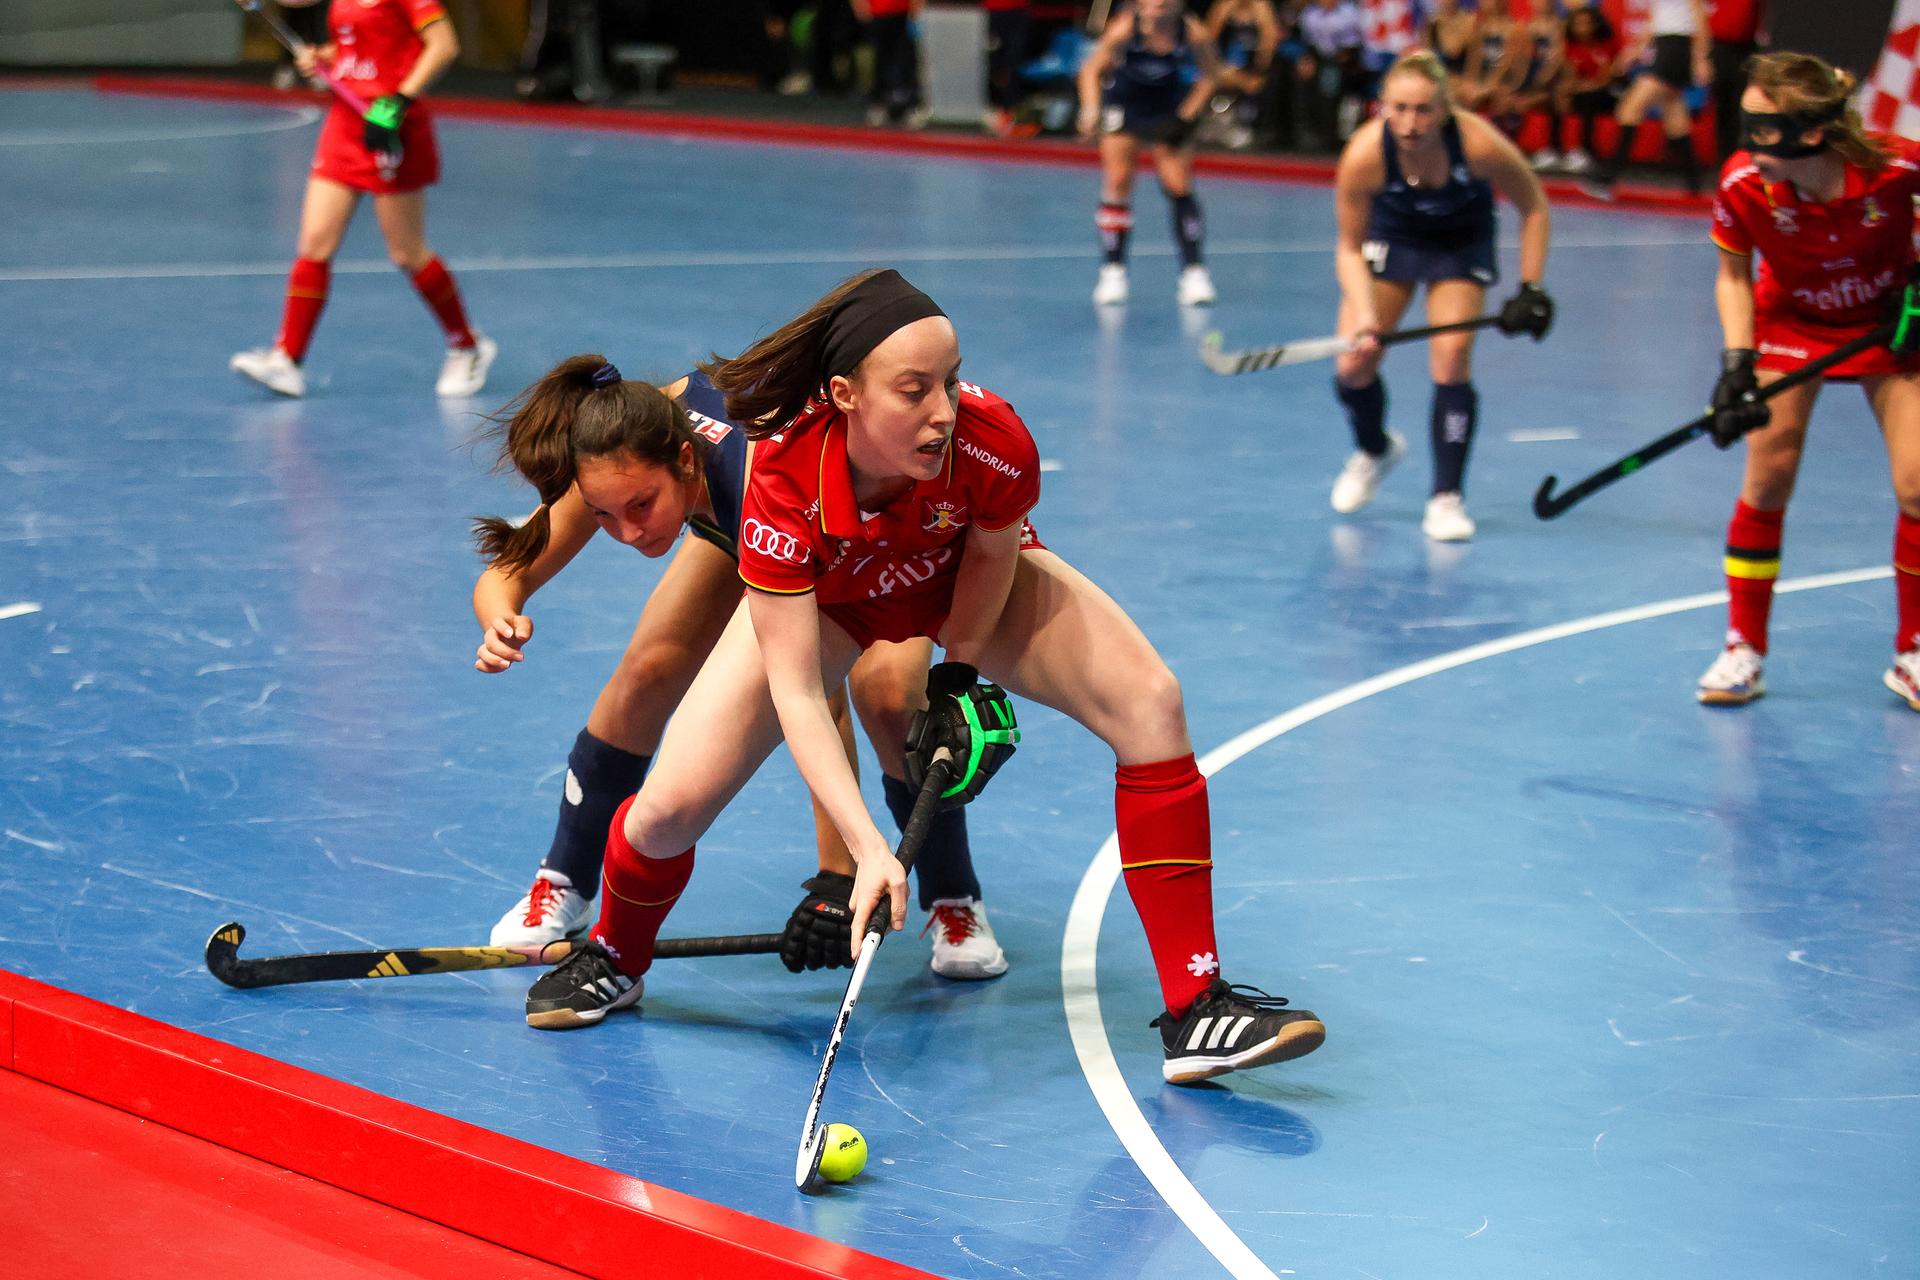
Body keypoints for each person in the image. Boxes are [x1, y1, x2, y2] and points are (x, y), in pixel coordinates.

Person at [522, 270, 1327, 1086]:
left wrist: (960, 675)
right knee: (666, 811)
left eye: (948, 379)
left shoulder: (990, 438)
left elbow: (989, 554)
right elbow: (800, 691)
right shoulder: (779, 481)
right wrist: (864, 852)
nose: (943, 409)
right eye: (914, 390)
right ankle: (617, 956)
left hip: (946, 577)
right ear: (844, 394)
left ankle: (1197, 1007)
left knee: (1151, 702)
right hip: (833, 599)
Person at [472, 355, 1011, 979]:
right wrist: (501, 618)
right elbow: (509, 570)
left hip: (857, 536)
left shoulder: (756, 474)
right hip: (735, 522)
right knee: (649, 670)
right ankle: (564, 875)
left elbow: (810, 689)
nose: (625, 533)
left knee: (890, 696)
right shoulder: (619, 447)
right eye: (604, 515)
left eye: (641, 507)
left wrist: (835, 878)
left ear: (683, 459)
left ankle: (953, 895)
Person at [1692, 52, 1920, 712]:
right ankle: (1744, 648)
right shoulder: (1743, 184)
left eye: (1764, 128)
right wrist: (1736, 363)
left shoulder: (1896, 166)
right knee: (1768, 475)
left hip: (1886, 327)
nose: (1748, 143)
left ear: (1811, 132)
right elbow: (1734, 275)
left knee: (1917, 484)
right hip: (1793, 323)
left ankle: (1912, 651)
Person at [1325, 50, 1553, 543]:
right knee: (1353, 366)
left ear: (1445, 110)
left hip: (1459, 242)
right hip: (1395, 235)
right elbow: (1348, 249)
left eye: (1423, 109)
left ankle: (1446, 496)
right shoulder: (1365, 156)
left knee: (1451, 360)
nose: (1410, 123)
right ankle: (1374, 449)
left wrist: (1531, 287)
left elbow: (1533, 205)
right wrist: (1366, 317)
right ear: (1381, 107)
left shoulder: (1477, 145)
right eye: (1399, 109)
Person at [229, 0, 495, 400]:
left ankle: (467, 345)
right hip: (346, 124)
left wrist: (399, 99)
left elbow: (442, 46)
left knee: (407, 253)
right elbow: (360, 45)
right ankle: (287, 360)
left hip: (390, 127)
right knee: (314, 244)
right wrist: (327, 55)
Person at [1078, 0, 1220, 307]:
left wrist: (1185, 117)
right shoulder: (1125, 28)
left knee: (1179, 185)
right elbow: (1091, 70)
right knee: (1117, 181)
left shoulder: (1193, 33)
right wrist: (1090, 110)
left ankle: (1194, 272)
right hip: (1125, 105)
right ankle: (1112, 270)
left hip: (1167, 108)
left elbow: (1211, 75)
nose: (1155, 4)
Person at [1582, 0, 1710, 197]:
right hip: (1665, 47)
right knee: (1676, 118)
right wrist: (1635, 51)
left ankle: (1608, 176)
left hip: (1677, 50)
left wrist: (1701, 58)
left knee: (1629, 108)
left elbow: (1699, 18)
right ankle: (1694, 185)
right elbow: (1655, 22)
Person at [1550, 5, 1619, 176]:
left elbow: (1605, 80)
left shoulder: (1607, 45)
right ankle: (1554, 149)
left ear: (1596, 25)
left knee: (1589, 97)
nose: (1582, 28)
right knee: (1558, 95)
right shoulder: (1571, 47)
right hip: (1582, 90)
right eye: (1578, 24)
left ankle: (1585, 151)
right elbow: (1570, 76)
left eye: (1587, 24)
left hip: (1608, 94)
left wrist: (1583, 86)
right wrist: (1569, 87)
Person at [1204, 0, 1279, 150]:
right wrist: (1222, 70)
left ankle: (1249, 126)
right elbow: (1207, 42)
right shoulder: (1223, 7)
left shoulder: (1262, 7)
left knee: (1258, 83)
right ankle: (1213, 124)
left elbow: (1269, 42)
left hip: (1251, 68)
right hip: (1224, 67)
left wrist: (1259, 70)